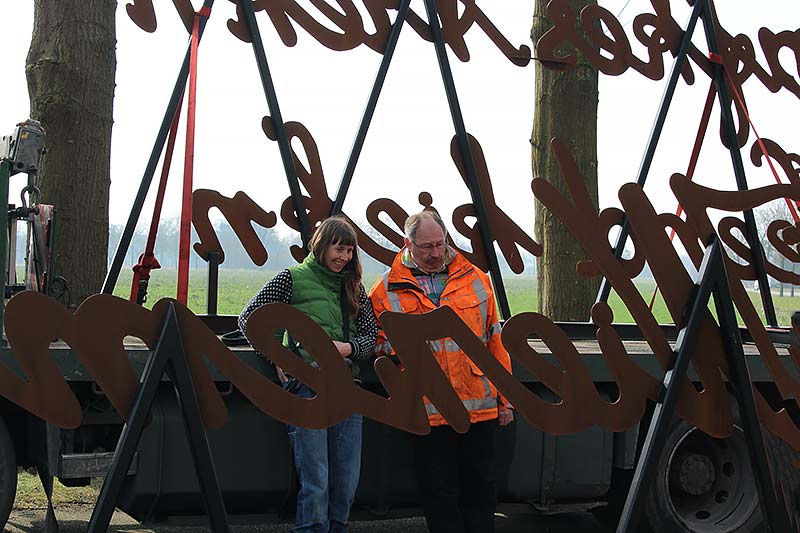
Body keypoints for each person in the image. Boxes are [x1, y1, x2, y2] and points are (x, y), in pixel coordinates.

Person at [369, 210, 513, 533]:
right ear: (408, 244)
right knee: (439, 495)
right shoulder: (384, 290)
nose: (436, 253)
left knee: (481, 492)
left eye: (440, 244)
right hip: (428, 412)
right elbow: (378, 345)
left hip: (478, 409)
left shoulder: (475, 278)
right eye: (426, 247)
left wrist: (505, 401)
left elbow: (495, 341)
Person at [238, 216, 377, 533]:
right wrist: (276, 356)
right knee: (316, 478)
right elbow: (250, 319)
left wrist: (346, 348)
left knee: (346, 479)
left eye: (349, 251)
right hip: (307, 388)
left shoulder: (356, 289)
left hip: (347, 390)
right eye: (338, 249)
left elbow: (372, 337)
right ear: (321, 246)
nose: (344, 257)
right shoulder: (291, 278)